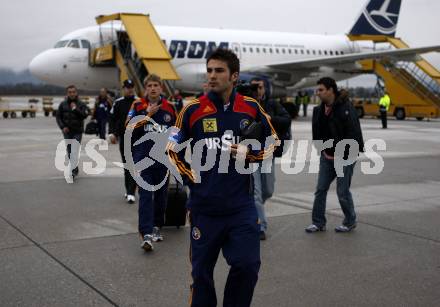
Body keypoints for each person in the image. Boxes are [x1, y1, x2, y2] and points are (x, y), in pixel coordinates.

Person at [168, 49, 278, 307]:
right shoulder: (192, 110)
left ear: (234, 76)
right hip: (204, 210)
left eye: (219, 71)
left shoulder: (251, 108)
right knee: (202, 277)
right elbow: (170, 149)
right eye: (209, 70)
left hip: (240, 208)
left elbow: (274, 143)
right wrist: (189, 177)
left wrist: (250, 153)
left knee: (247, 266)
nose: (212, 76)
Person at [306, 77, 364, 233]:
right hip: (327, 156)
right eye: (317, 90)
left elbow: (354, 132)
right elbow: (316, 133)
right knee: (320, 189)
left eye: (321, 90)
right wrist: (321, 149)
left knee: (342, 192)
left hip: (345, 157)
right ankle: (318, 222)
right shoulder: (318, 110)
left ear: (331, 90)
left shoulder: (345, 108)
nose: (317, 93)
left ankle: (350, 221)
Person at [126, 74, 177, 251]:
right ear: (145, 88)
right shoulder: (137, 105)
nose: (153, 88)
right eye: (150, 86)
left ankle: (157, 227)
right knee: (146, 195)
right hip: (143, 160)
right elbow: (129, 128)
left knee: (161, 196)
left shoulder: (170, 108)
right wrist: (148, 115)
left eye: (156, 85)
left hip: (163, 161)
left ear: (161, 88)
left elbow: (177, 132)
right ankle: (146, 233)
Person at [250, 77, 291, 240]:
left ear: (265, 89)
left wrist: (268, 117)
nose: (257, 90)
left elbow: (286, 120)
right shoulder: (243, 106)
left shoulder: (273, 105)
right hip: (250, 156)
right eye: (254, 87)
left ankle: (256, 209)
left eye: (259, 87)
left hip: (268, 154)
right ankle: (260, 226)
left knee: (268, 190)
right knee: (256, 194)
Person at [109, 79, 138, 204]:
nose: (129, 89)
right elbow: (112, 119)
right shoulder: (118, 103)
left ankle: (131, 191)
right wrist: (112, 133)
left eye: (131, 87)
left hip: (138, 139)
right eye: (127, 87)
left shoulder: (139, 102)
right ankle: (129, 190)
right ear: (123, 89)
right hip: (124, 138)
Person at [56, 85, 89, 179]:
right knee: (70, 151)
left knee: (74, 150)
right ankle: (74, 167)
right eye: (70, 92)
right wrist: (62, 127)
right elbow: (58, 117)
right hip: (67, 131)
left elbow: (85, 115)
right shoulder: (62, 104)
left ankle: (73, 170)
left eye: (73, 92)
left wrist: (76, 109)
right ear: (67, 93)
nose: (72, 94)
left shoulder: (81, 104)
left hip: (77, 131)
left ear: (76, 93)